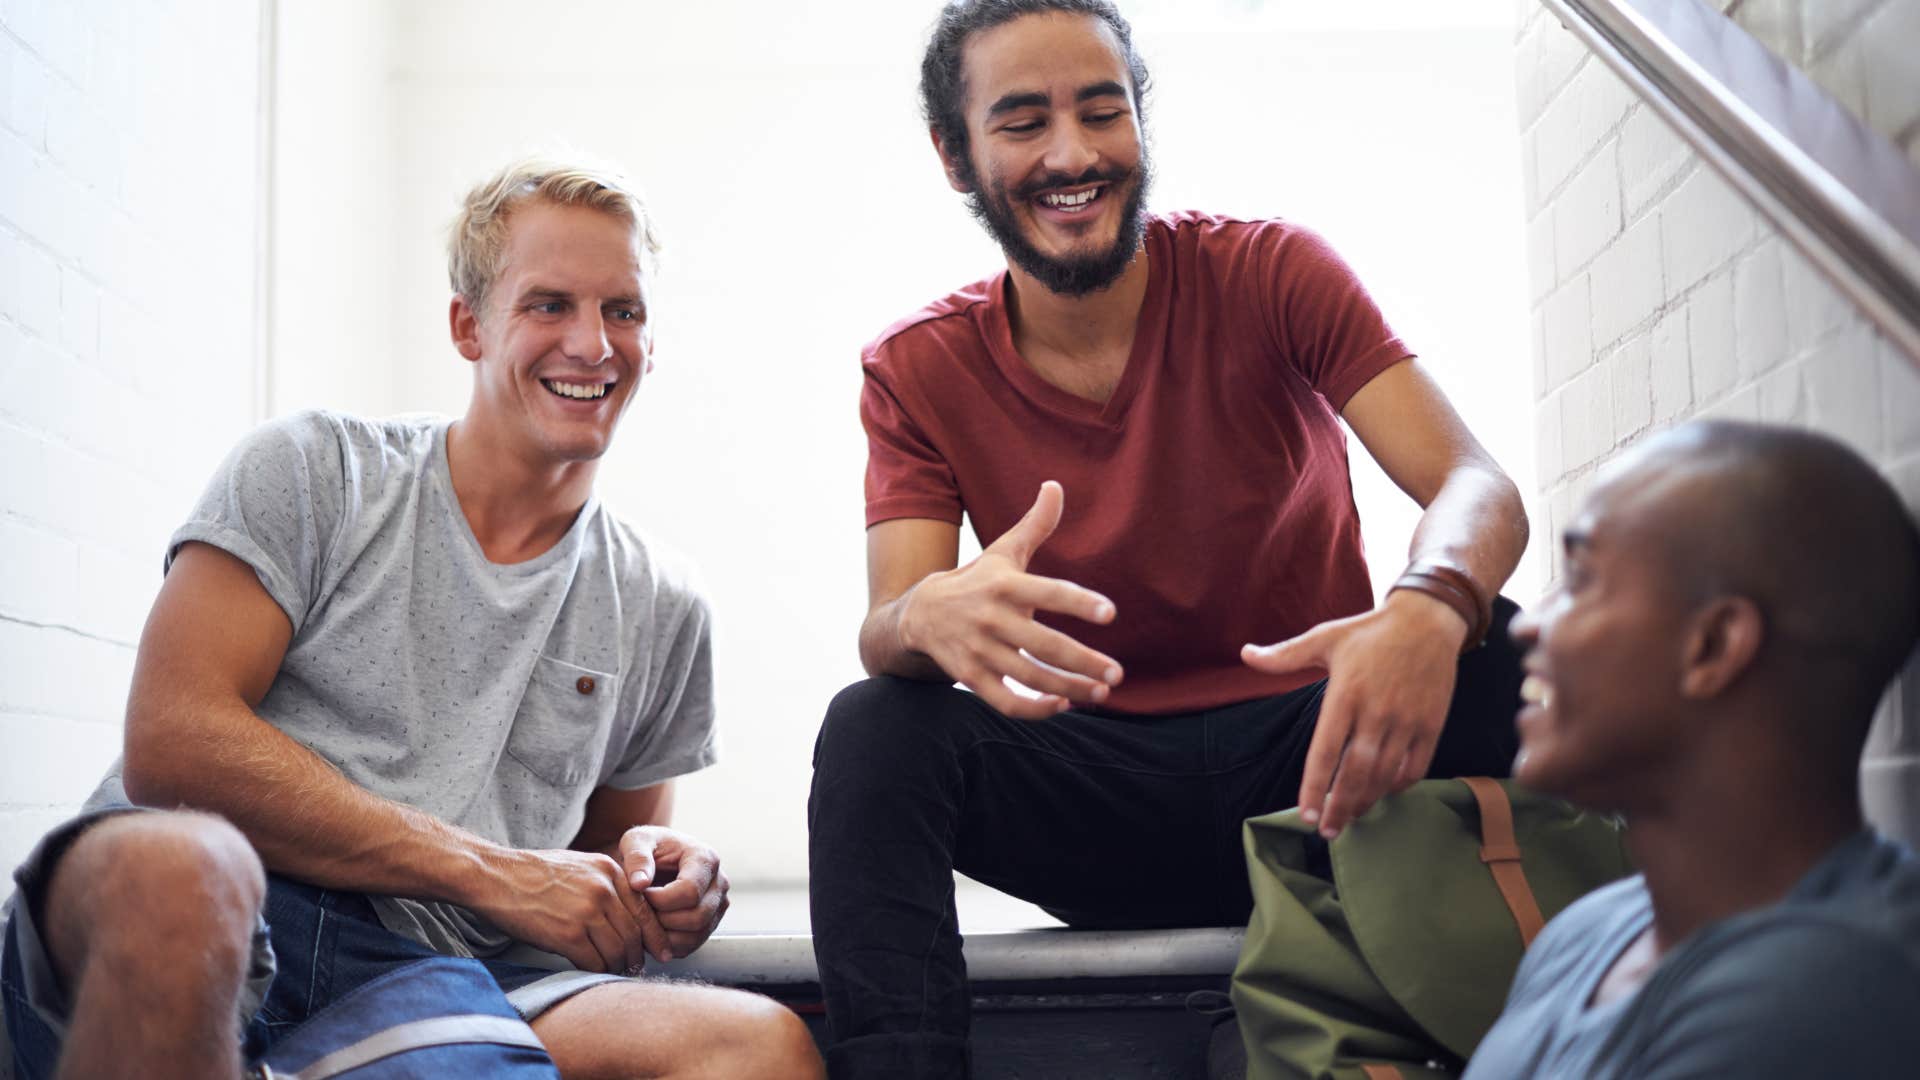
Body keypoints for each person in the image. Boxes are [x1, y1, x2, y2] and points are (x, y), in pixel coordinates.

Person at [807, 1, 1532, 1074]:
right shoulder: (916, 366)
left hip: (1319, 779)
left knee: (1498, 641)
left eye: (1103, 112)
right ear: (956, 157)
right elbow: (888, 629)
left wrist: (1430, 602)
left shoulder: (1273, 271)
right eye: (1023, 123)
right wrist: (925, 615)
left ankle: (1563, 1027)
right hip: (1092, 800)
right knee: (875, 726)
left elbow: (1478, 485)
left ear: (1140, 124)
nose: (1072, 154)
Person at [0, 158, 823, 1080]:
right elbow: (171, 745)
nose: (593, 344)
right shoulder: (318, 470)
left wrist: (656, 878)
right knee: (183, 875)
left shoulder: (663, 604)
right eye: (549, 304)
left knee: (758, 1048)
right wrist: (494, 873)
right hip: (210, 908)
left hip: (433, 979)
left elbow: (598, 877)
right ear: (469, 325)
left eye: (623, 311)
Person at [1464, 420, 1920, 1077]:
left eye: (1582, 580)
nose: (1528, 623)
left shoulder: (1822, 996)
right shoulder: (1586, 932)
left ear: (1712, 646)